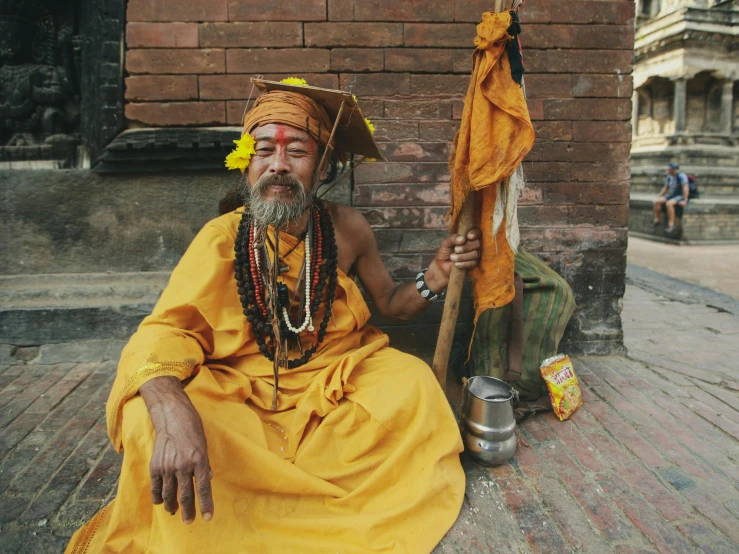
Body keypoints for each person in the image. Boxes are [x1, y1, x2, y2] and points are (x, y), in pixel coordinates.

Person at [65, 80, 480, 554]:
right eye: (264, 150)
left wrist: (435, 276)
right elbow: (166, 330)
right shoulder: (221, 238)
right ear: (247, 162)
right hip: (242, 390)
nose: (278, 164)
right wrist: (172, 408)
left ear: (323, 165)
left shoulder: (348, 229)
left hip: (335, 376)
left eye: (297, 151)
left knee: (413, 385)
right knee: (148, 414)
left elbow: (390, 304)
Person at [653, 162, 690, 232]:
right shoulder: (669, 176)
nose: (668, 170)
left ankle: (671, 224)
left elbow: (685, 187)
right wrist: (660, 196)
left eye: (669, 169)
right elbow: (666, 187)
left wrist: (685, 199)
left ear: (674, 170)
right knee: (656, 202)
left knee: (669, 204)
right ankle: (657, 220)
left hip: (680, 194)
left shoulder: (681, 176)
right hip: (672, 194)